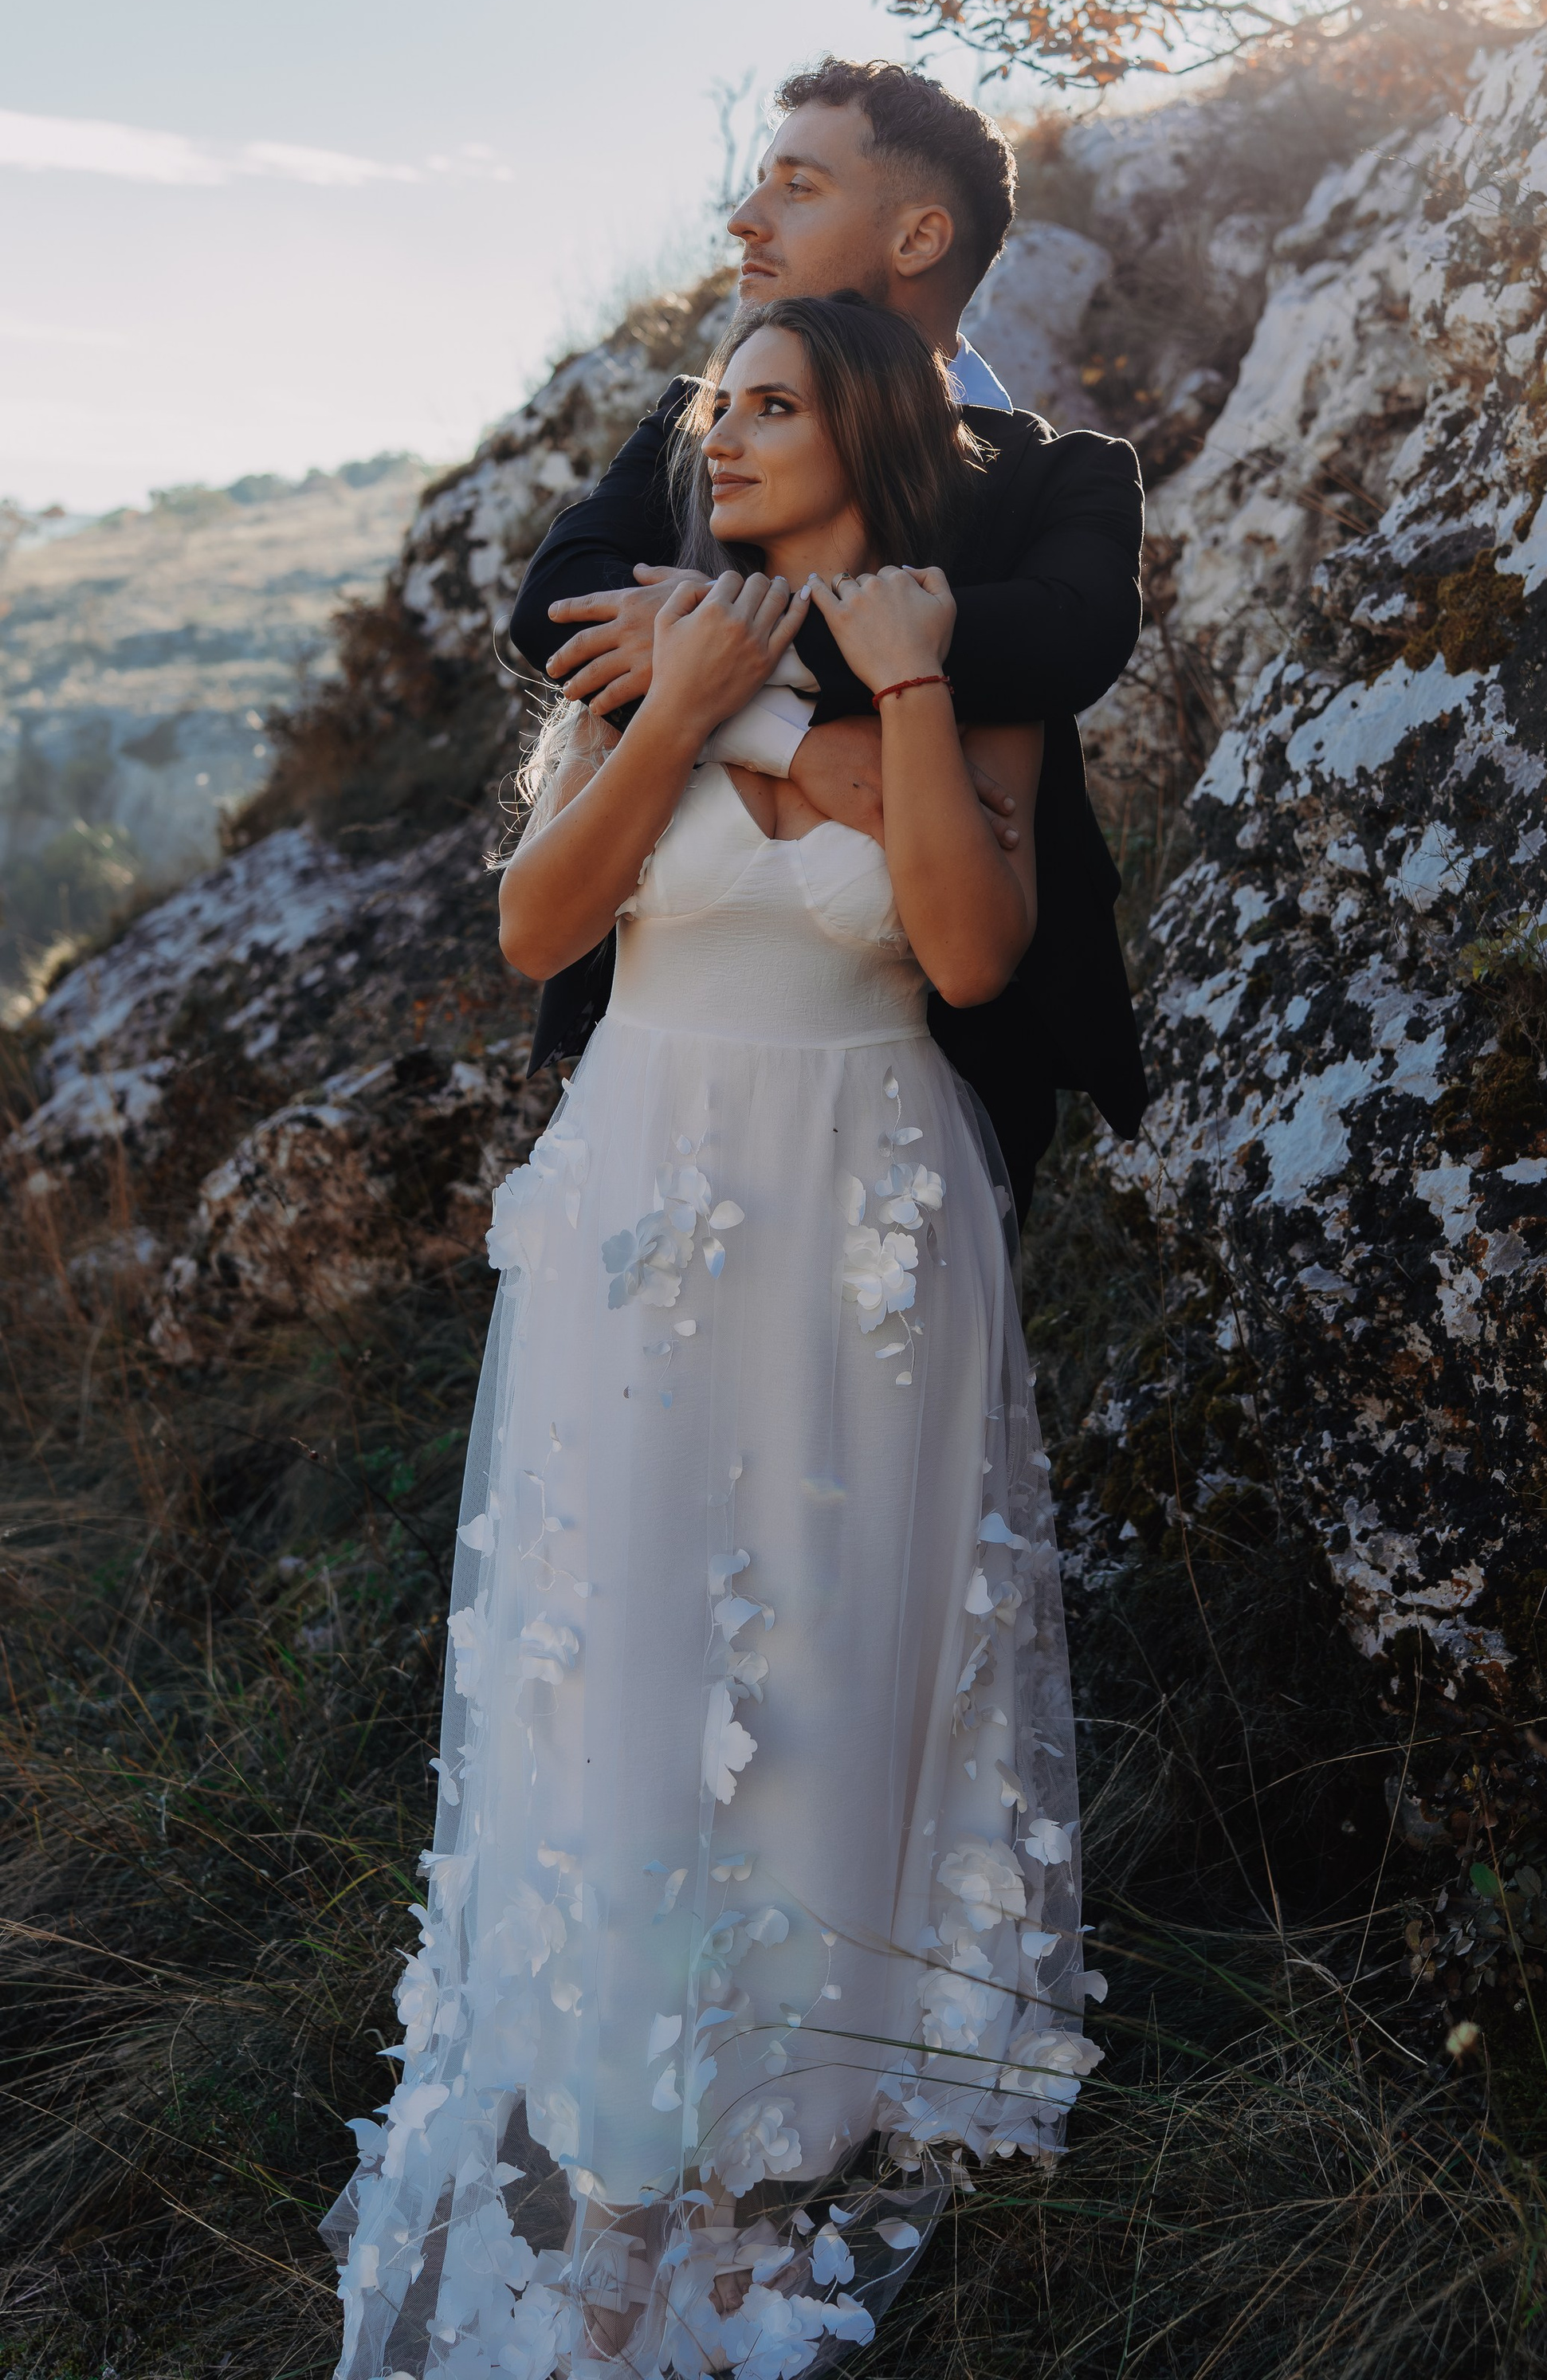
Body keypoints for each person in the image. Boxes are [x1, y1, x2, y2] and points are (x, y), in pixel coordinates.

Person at [328, 298, 1098, 2380]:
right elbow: (535, 923)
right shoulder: (657, 636)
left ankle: (789, 2145)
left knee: (840, 1674)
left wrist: (907, 688)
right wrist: (692, 711)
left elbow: (965, 943)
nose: (725, 433)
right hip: (637, 1204)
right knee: (628, 1673)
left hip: (866, 1205)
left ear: (867, 422)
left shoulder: (955, 645)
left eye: (770, 403)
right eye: (717, 405)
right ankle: (611, 2148)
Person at [507, 59, 1146, 1223]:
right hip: (664, 1073)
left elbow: (1062, 642)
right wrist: (780, 734)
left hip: (942, 1084)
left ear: (918, 237)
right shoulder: (698, 428)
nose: (746, 220)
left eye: (797, 187)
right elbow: (555, 609)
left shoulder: (1062, 479)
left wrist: (727, 650)